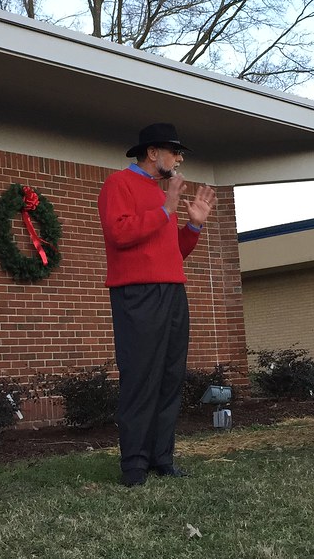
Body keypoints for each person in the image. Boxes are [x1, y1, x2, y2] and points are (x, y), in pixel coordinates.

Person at [97, 123, 216, 487]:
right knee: (140, 376)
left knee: (169, 376)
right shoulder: (118, 184)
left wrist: (192, 226)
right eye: (174, 151)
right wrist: (167, 209)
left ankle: (161, 457)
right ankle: (133, 464)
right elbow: (118, 233)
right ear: (153, 153)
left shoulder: (162, 196)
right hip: (137, 294)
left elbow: (172, 253)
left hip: (172, 292)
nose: (179, 158)